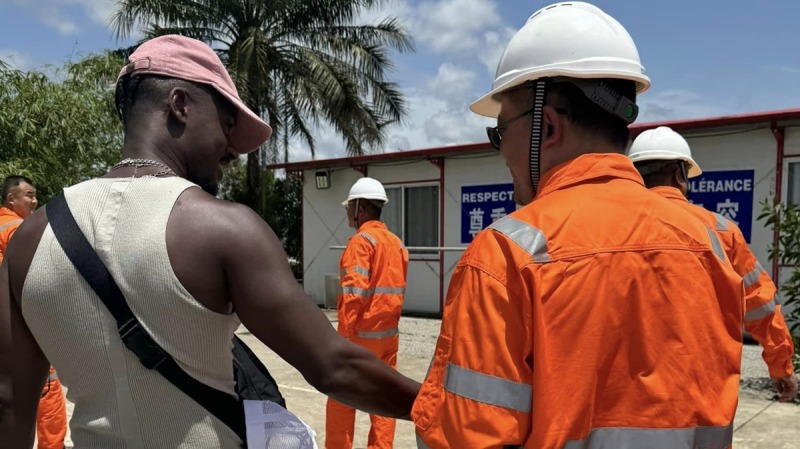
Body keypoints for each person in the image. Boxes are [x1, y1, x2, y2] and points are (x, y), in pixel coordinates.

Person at [0, 34, 419, 448]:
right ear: (181, 105)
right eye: (228, 123)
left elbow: (9, 404)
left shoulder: (29, 240)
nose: (232, 151)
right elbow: (335, 367)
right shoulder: (224, 229)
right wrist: (440, 405)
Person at [411, 2, 745, 448]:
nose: (499, 149)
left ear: (546, 128)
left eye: (498, 132)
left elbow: (465, 438)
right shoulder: (711, 248)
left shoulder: (507, 256)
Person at [628, 126, 798, 402]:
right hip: (701, 402)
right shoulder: (721, 231)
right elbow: (761, 304)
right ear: (679, 175)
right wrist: (781, 365)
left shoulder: (602, 229)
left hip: (619, 405)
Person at [326, 177, 409, 449]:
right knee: (383, 400)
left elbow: (354, 294)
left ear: (360, 208)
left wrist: (342, 340)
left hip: (360, 338)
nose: (348, 212)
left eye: (349, 207)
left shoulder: (361, 243)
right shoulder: (396, 244)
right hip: (388, 339)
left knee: (341, 399)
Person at [0, 176, 68, 449]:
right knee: (46, 388)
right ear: (10, 199)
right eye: (28, 194)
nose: (34, 201)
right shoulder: (17, 229)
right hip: (20, 323)